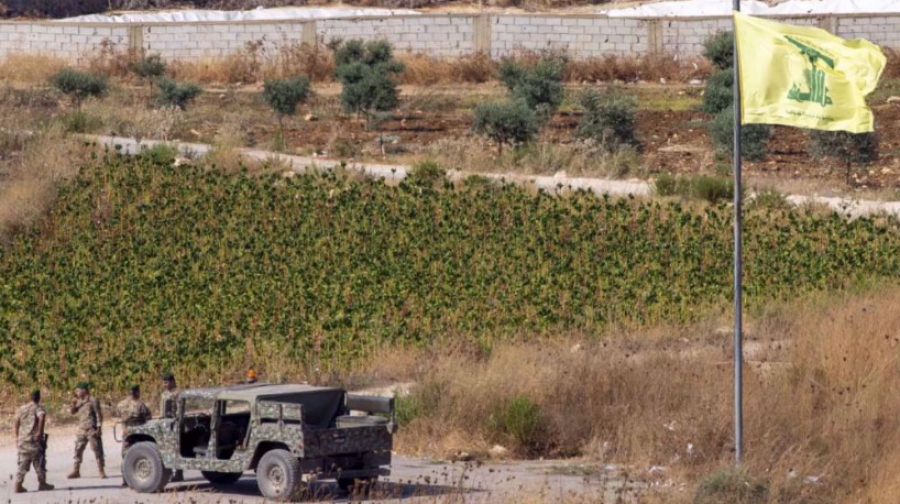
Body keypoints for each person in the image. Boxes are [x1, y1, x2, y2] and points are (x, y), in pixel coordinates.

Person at [14, 389, 54, 493]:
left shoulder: (21, 408)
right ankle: (42, 483)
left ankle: (18, 484)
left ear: (29, 396)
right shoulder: (38, 408)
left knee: (23, 462)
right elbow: (42, 417)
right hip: (34, 440)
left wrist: (17, 437)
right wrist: (40, 433)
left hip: (23, 440)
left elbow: (16, 422)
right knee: (39, 462)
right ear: (38, 397)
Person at [68, 382, 105, 479]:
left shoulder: (93, 400)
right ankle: (76, 470)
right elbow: (72, 412)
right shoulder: (78, 401)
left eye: (78, 390)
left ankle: (101, 470)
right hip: (81, 429)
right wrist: (73, 403)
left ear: (84, 390)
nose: (76, 392)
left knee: (97, 449)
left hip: (91, 428)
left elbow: (98, 415)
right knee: (78, 449)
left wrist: (99, 428)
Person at [117, 385, 151, 487]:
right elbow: (148, 417)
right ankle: (141, 477)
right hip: (139, 434)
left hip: (127, 434)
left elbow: (117, 416)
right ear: (137, 392)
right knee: (140, 455)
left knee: (125, 456)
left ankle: (125, 479)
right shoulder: (140, 405)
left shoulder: (120, 404)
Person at [160, 372, 183, 482]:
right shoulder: (164, 394)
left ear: (173, 381)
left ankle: (178, 473)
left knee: (175, 448)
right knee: (167, 448)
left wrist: (177, 420)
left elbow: (180, 408)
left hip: (174, 423)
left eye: (167, 382)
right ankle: (171, 471)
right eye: (164, 383)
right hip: (165, 423)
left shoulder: (177, 393)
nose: (165, 384)